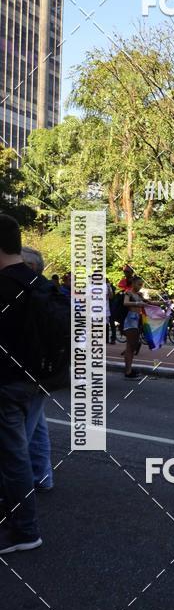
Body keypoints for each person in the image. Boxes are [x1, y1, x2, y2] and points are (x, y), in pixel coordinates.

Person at [0, 216, 46, 553]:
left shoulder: (3, 285)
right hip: (35, 381)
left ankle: (24, 531)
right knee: (17, 453)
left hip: (6, 384)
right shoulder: (40, 283)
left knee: (12, 458)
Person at [20, 246, 54, 493]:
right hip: (44, 371)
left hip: (28, 372)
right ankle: (42, 475)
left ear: (30, 267)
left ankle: (15, 489)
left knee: (19, 432)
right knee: (37, 424)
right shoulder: (48, 290)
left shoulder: (29, 292)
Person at [122, 276, 163, 378]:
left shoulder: (139, 295)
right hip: (130, 320)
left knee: (132, 346)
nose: (140, 287)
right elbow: (125, 303)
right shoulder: (128, 293)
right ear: (133, 283)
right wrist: (137, 303)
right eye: (139, 284)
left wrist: (164, 303)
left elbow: (150, 303)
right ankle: (128, 371)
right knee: (130, 346)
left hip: (137, 320)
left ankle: (129, 369)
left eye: (141, 285)